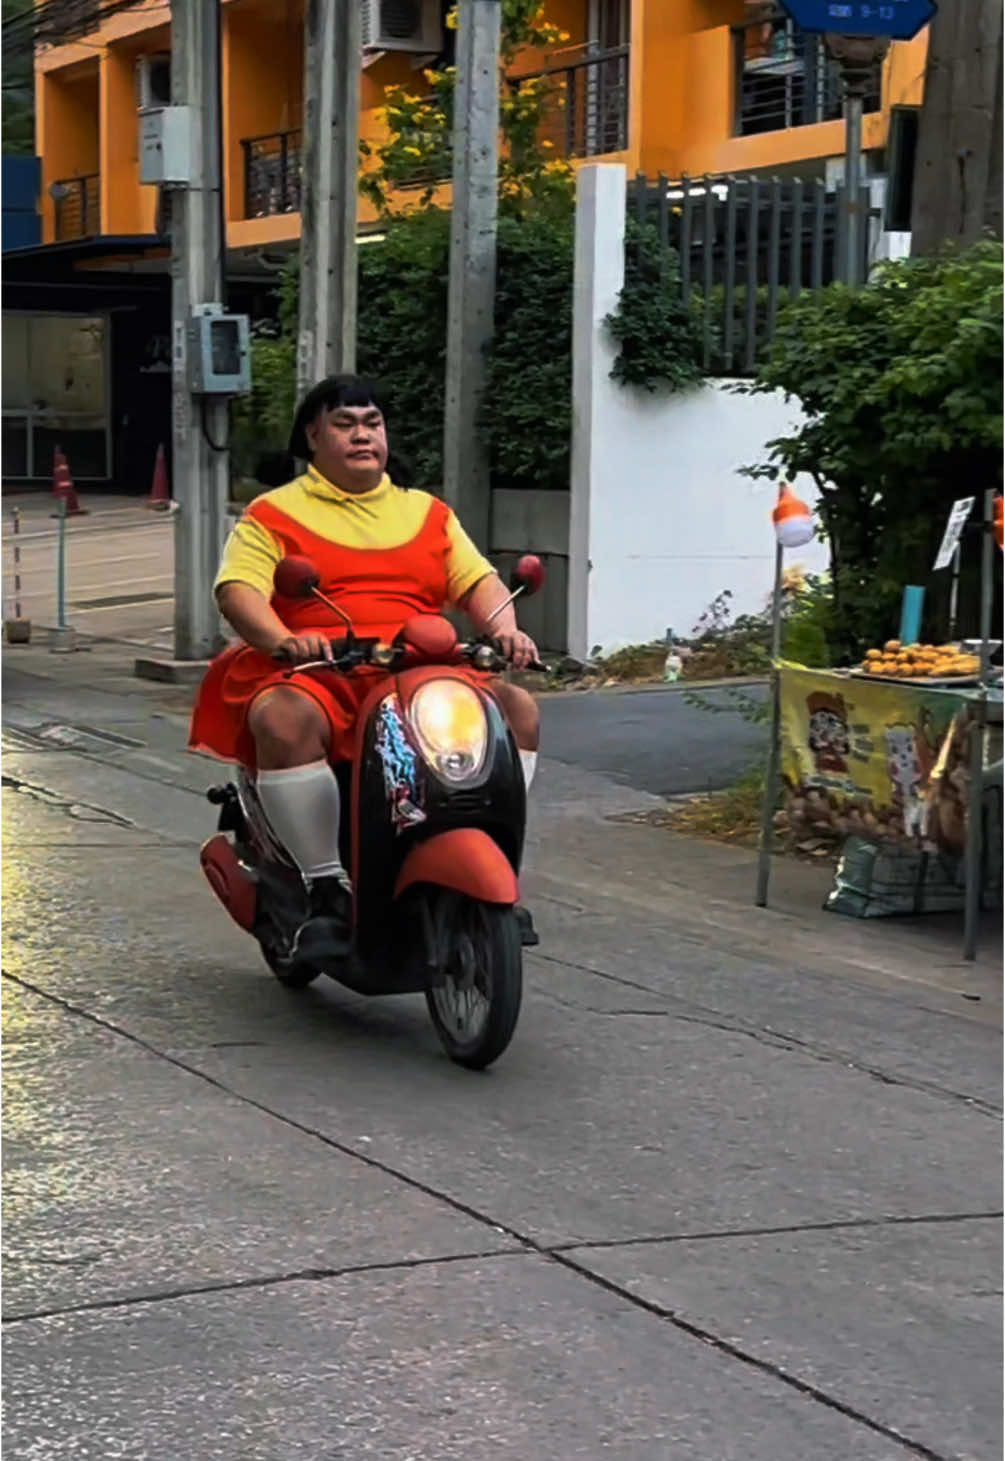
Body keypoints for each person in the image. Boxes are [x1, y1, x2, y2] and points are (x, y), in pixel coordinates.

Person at [190, 374, 541, 957]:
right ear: (313, 436)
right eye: (344, 424)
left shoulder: (427, 512)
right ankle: (325, 883)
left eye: (372, 423)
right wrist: (283, 640)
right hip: (324, 666)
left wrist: (505, 628)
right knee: (282, 719)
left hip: (420, 664)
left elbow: (476, 579)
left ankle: (488, 849)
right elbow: (239, 591)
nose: (362, 436)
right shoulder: (273, 513)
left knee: (515, 710)